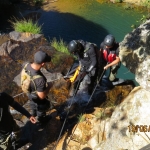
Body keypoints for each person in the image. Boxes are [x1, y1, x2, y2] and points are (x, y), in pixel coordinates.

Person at [21, 50, 52, 125]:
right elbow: (41, 96)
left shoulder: (26, 65)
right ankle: (41, 121)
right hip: (37, 99)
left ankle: (33, 114)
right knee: (41, 108)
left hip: (29, 94)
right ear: (43, 64)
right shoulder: (39, 80)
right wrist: (50, 86)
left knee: (33, 104)